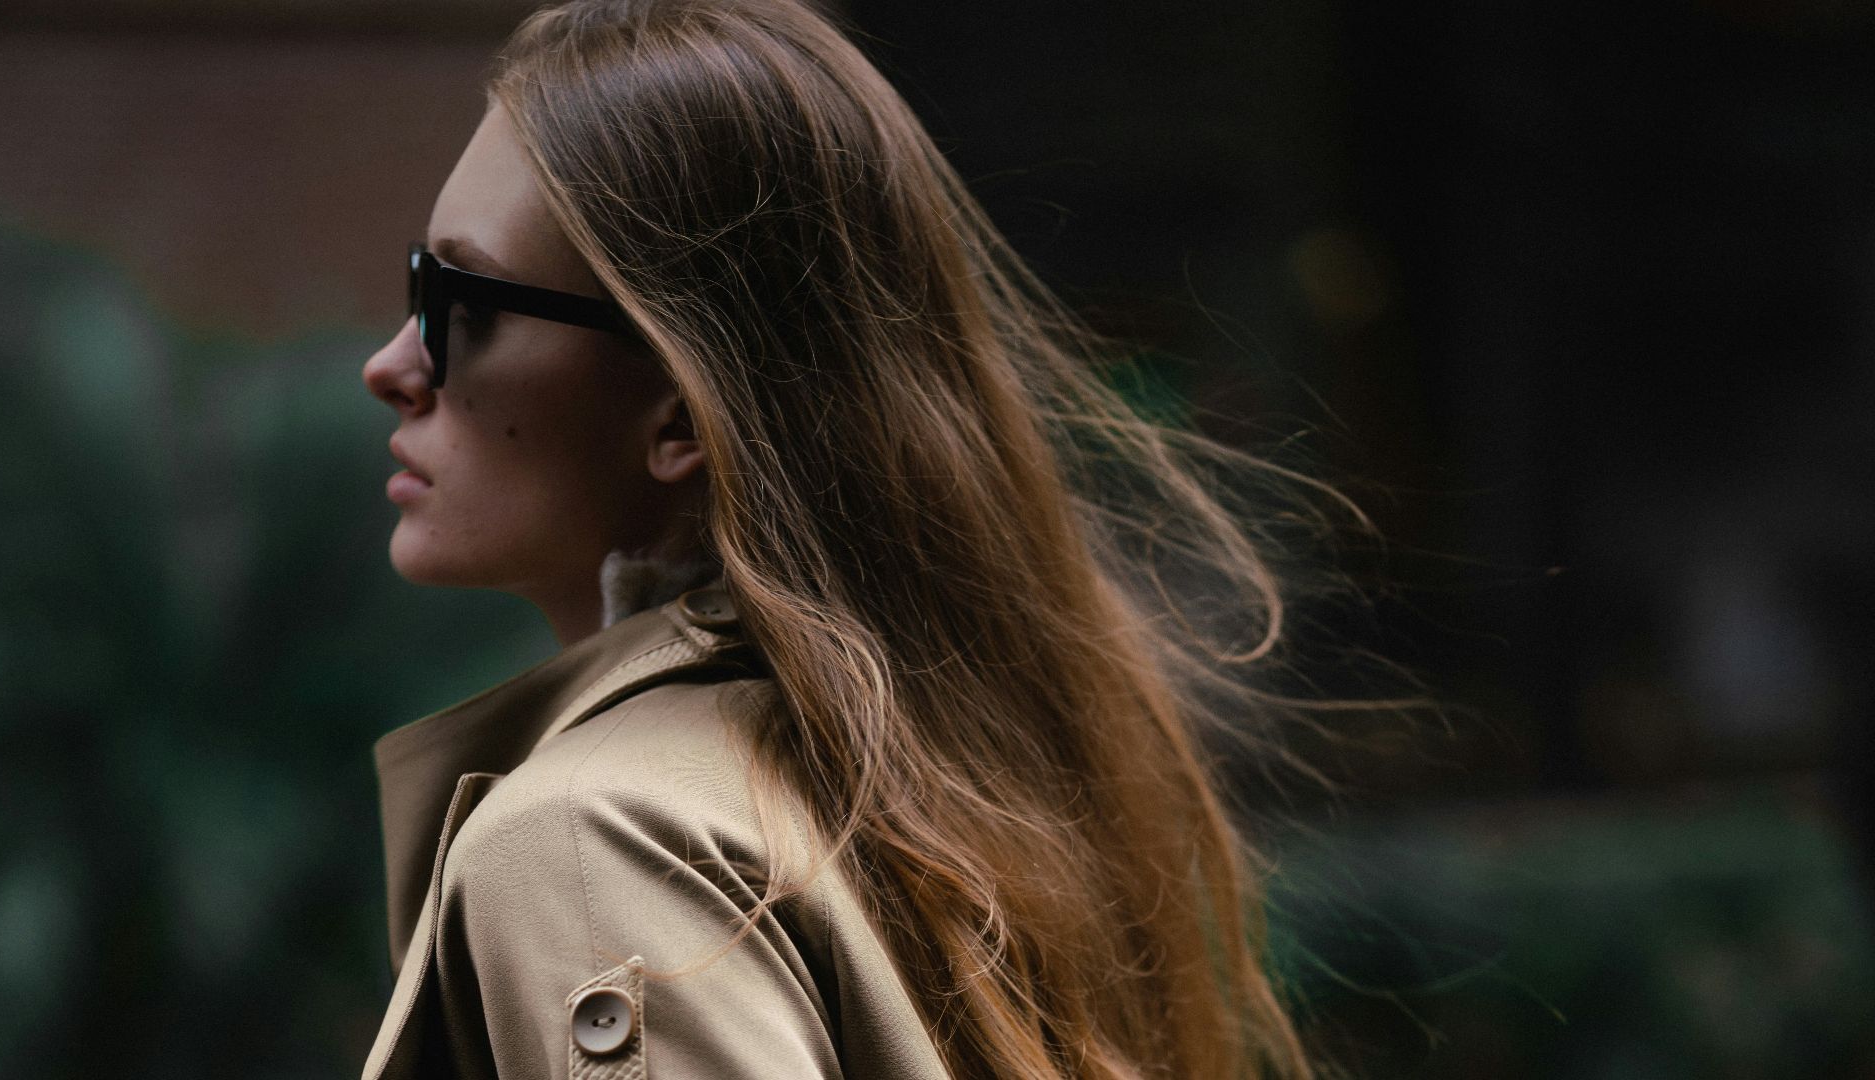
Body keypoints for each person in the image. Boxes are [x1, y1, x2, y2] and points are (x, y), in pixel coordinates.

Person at [359, 0, 1319, 1076]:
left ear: (680, 413)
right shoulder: (917, 785)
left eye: (463, 300)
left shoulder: (598, 844)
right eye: (416, 284)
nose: (392, 364)